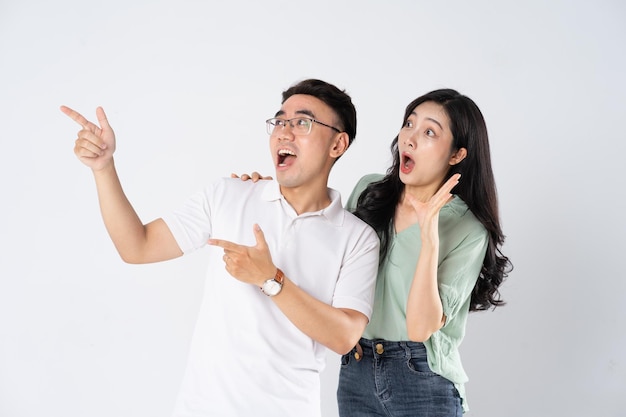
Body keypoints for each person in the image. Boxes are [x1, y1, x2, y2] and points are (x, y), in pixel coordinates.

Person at [60, 78, 380, 417]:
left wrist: (271, 279)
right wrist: (104, 168)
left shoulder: (357, 238)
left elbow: (344, 336)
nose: (284, 133)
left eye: (302, 122)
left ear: (337, 144)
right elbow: (136, 247)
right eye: (279, 121)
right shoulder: (229, 194)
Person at [336, 89, 512, 416]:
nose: (410, 139)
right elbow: (326, 268)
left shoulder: (467, 229)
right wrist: (270, 191)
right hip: (356, 370)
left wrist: (430, 235)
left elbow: (419, 329)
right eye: (409, 124)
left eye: (429, 132)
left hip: (422, 377)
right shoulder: (368, 192)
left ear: (457, 155)